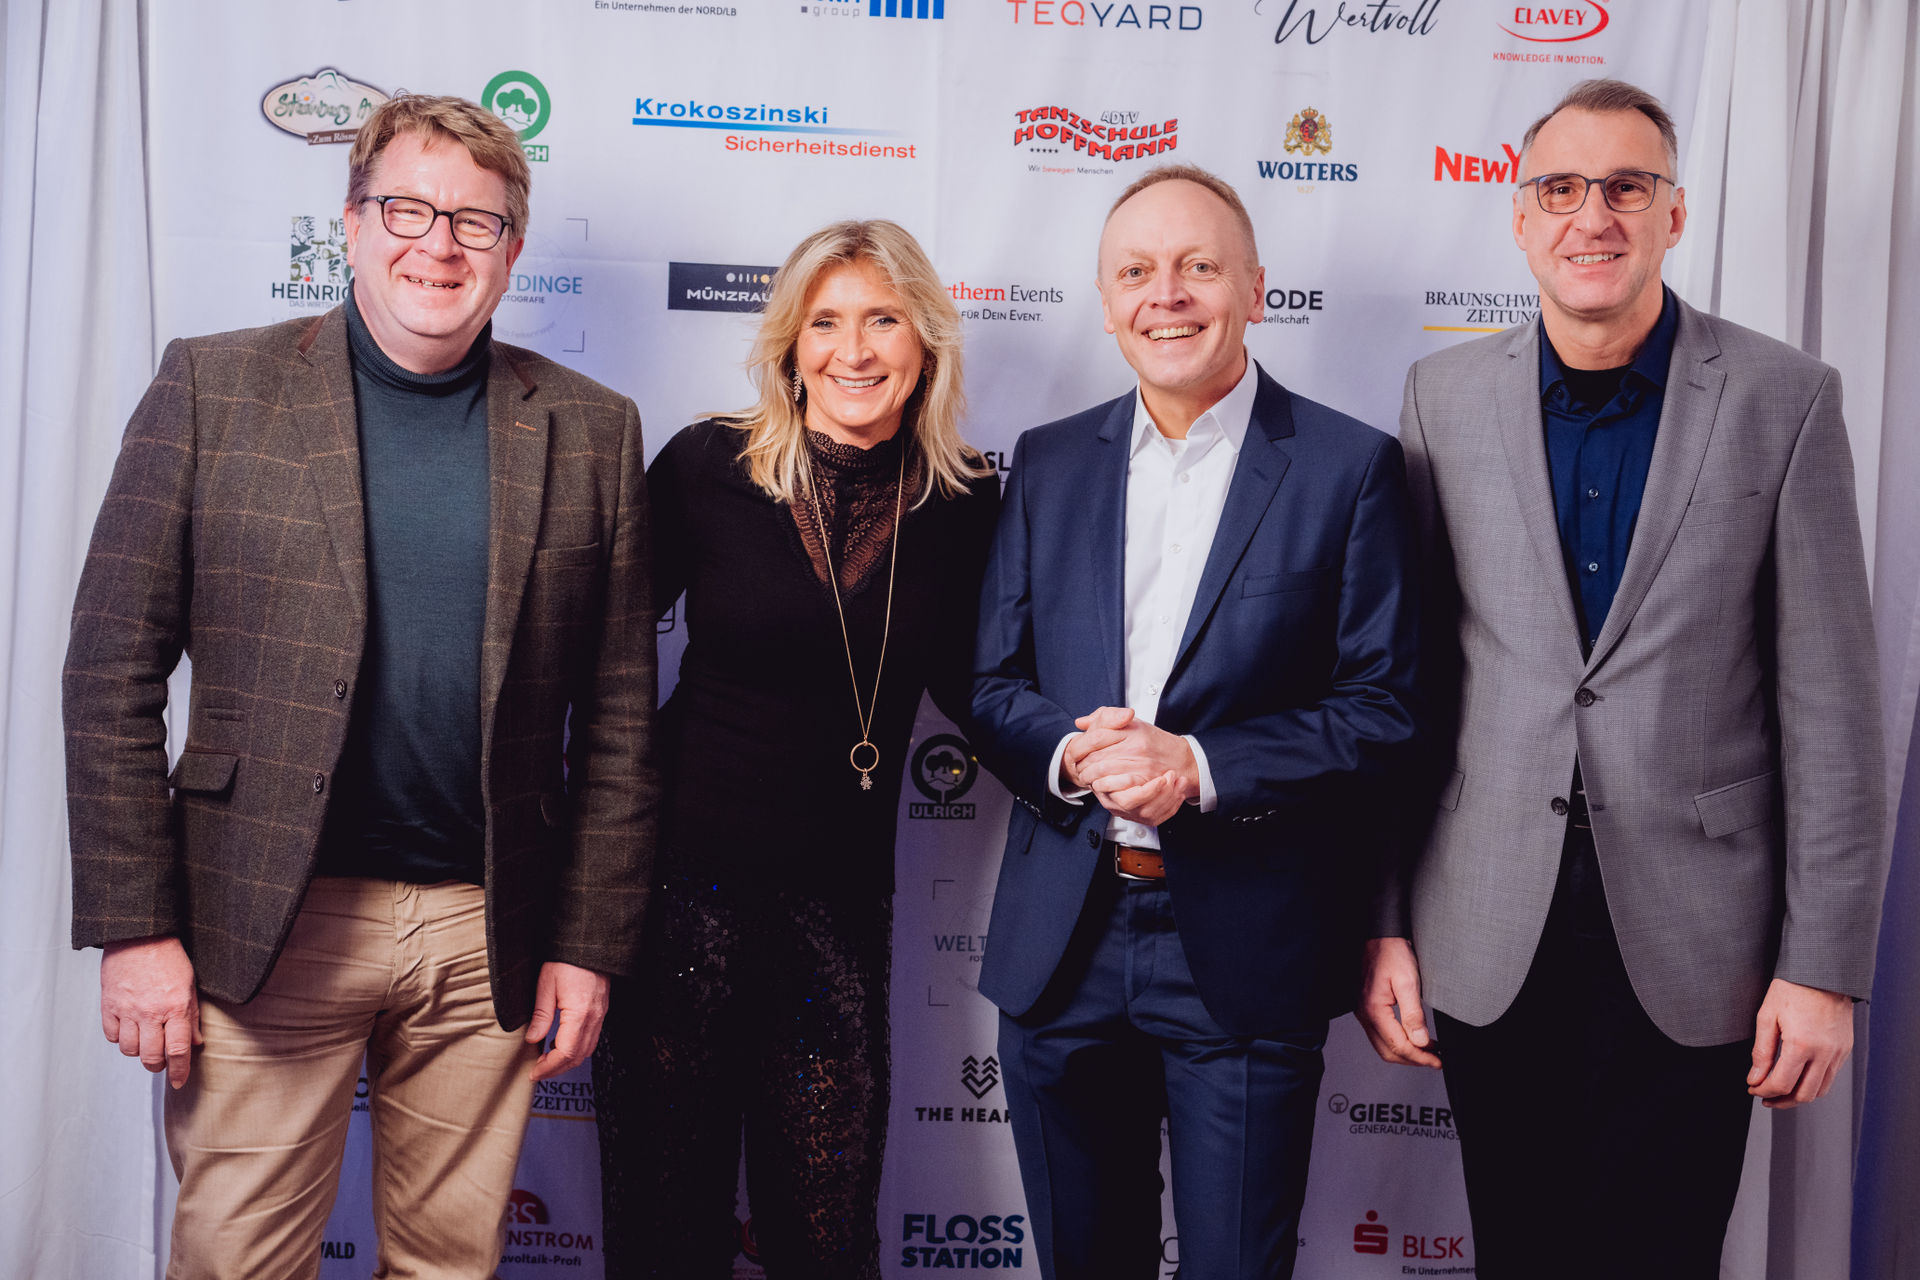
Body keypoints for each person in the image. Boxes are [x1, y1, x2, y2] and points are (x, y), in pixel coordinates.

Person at [63, 93, 657, 1277]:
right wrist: (135, 924)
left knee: (448, 1263)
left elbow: (620, 720)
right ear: (350, 222)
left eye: (475, 222)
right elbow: (110, 667)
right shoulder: (213, 387)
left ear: (512, 250)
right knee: (237, 1260)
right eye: (407, 210)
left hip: (485, 929)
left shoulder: (592, 430)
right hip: (264, 921)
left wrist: (588, 940)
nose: (439, 244)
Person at [1357, 79, 1888, 1279]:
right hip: (1488, 925)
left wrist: (1821, 965)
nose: (1591, 214)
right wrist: (1383, 919)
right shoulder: (1442, 398)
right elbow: (1408, 685)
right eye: (1560, 187)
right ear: (1520, 217)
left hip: (1702, 940)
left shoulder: (1785, 398)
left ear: (1673, 212)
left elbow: (1834, 711)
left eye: (1625, 186)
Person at [969, 164, 1419, 1280]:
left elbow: (1382, 710)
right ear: (1106, 300)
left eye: (1198, 267)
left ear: (1255, 289)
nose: (1165, 294)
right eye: (1136, 272)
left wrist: (1199, 766)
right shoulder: (1050, 460)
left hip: (1243, 947)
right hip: (1062, 944)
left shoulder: (1350, 467)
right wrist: (1074, 752)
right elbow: (994, 685)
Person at [591, 219, 1000, 1280]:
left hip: (837, 912)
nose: (852, 350)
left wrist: (1098, 757)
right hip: (676, 899)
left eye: (882, 320)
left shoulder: (966, 503)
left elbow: (990, 691)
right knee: (663, 1226)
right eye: (825, 322)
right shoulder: (707, 465)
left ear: (925, 341)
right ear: (790, 342)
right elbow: (600, 653)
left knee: (825, 1234)